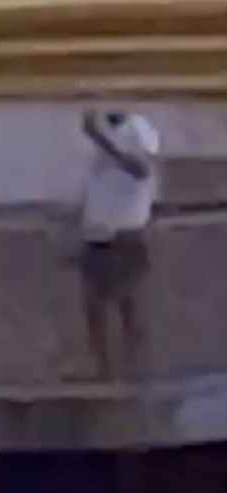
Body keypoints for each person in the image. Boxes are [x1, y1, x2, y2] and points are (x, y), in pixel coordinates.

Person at [78, 108, 160, 380]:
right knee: (96, 309)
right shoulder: (110, 133)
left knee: (125, 308)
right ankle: (106, 372)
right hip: (100, 235)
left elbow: (142, 169)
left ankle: (133, 370)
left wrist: (99, 138)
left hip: (124, 237)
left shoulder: (136, 128)